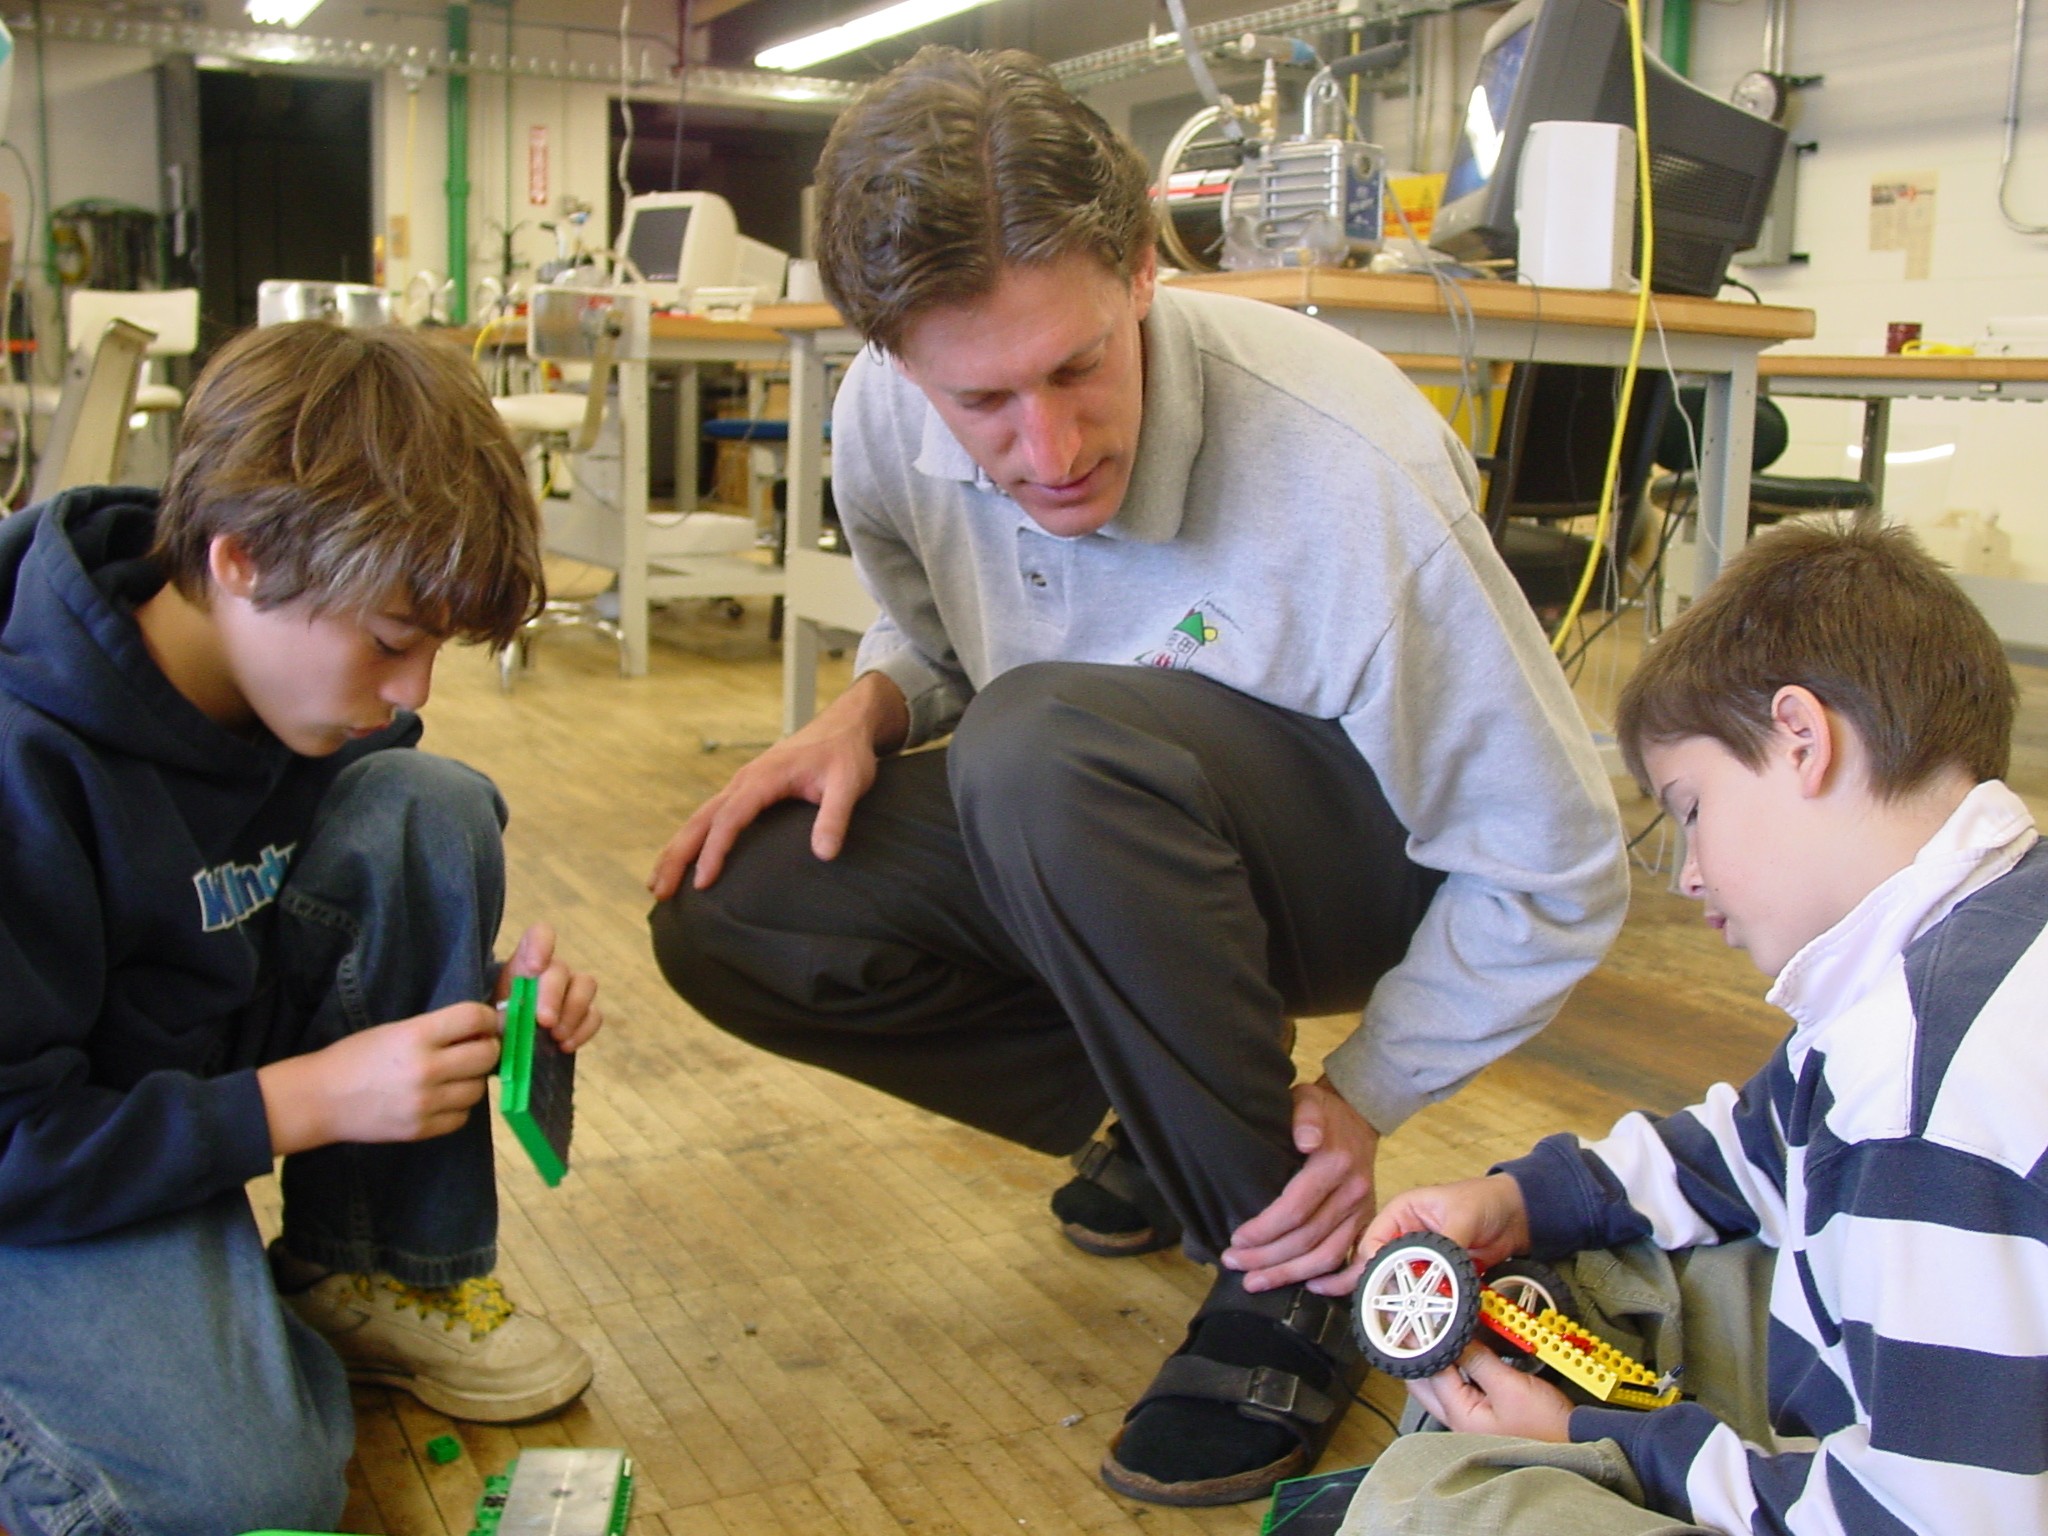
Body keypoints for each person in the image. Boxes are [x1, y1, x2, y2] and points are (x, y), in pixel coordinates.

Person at [647, 46, 1625, 1506]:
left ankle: (1280, 1263)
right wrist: (869, 702)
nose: (1047, 451)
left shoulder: (1346, 471)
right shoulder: (880, 421)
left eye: (1078, 367)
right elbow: (944, 637)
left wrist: (1359, 1093)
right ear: (901, 364)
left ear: (1146, 274)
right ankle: (1157, 1102)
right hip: (1094, 812)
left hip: (1351, 861)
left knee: (1045, 749)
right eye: (981, 402)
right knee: (739, 905)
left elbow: (1554, 863)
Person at [0, 321, 604, 1536]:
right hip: (37, 1162)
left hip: (163, 1099)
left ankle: (368, 1271)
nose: (415, 687)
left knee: (424, 805)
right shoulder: (25, 758)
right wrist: (302, 1103)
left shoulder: (295, 692)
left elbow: (280, 914)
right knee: (245, 1497)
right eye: (391, 641)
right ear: (238, 561)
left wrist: (488, 1009)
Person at [1348, 520, 2044, 1535]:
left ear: (1800, 738)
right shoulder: (1958, 945)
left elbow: (1939, 1521)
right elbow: (1753, 1148)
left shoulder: (1922, 1080)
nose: (1687, 871)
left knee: (1443, 1507)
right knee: (1561, 1283)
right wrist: (1516, 1200)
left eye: (1689, 807)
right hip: (1921, 1428)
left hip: (1928, 1499)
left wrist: (1615, 1448)